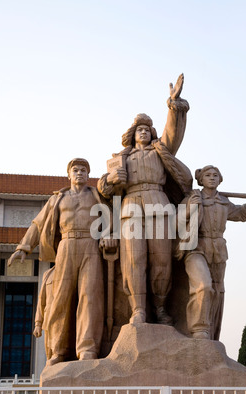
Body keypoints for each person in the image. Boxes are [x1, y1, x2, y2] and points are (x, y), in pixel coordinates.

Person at [97, 74, 192, 325]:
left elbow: (173, 133)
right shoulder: (121, 158)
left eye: (147, 130)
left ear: (152, 133)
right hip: (130, 209)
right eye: (138, 129)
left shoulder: (161, 151)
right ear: (132, 134)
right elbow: (103, 188)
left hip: (158, 206)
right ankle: (138, 309)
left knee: (161, 259)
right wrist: (111, 179)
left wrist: (173, 104)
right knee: (133, 260)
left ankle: (160, 308)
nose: (143, 133)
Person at [8, 158, 115, 365]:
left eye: (84, 170)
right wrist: (24, 247)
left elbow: (111, 219)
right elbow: (38, 223)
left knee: (90, 296)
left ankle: (88, 348)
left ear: (88, 174)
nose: (79, 173)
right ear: (69, 174)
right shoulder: (58, 199)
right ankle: (58, 350)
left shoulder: (96, 196)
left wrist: (109, 234)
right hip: (66, 245)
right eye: (75, 170)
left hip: (90, 244)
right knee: (60, 298)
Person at [176, 165, 246, 340]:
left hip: (218, 250)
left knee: (216, 292)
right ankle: (199, 329)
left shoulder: (223, 202)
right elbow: (175, 220)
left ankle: (211, 332)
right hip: (196, 247)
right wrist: (189, 209)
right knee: (204, 285)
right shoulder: (192, 198)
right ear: (201, 180)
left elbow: (242, 214)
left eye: (216, 175)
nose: (212, 177)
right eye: (208, 175)